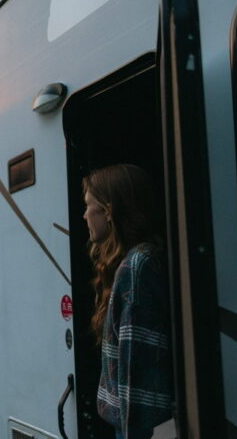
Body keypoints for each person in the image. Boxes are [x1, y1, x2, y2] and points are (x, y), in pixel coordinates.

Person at [82, 164, 173, 439]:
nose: (85, 215)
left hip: (136, 428)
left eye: (88, 206)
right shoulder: (140, 259)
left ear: (109, 211)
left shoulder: (135, 268)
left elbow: (135, 374)